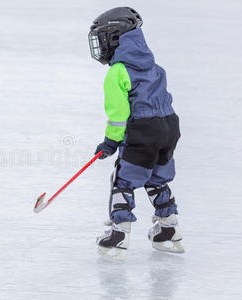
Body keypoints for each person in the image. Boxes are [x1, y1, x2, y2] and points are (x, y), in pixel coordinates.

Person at [88, 7, 184, 261]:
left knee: (124, 180)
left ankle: (118, 235)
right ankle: (168, 229)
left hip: (143, 130)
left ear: (116, 38)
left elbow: (119, 114)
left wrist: (110, 142)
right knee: (155, 177)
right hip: (169, 127)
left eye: (103, 38)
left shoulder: (118, 72)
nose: (100, 45)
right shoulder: (155, 67)